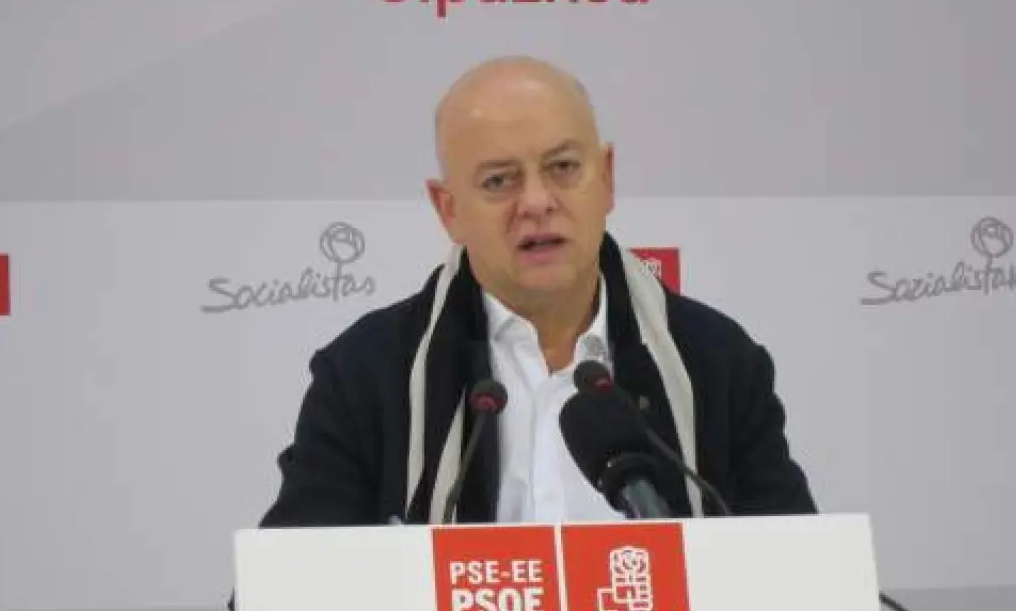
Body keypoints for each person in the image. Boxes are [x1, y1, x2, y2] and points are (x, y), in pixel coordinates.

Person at [256, 55, 816, 529]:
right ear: (449, 209)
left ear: (607, 178)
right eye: (499, 181)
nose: (536, 202)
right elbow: (282, 590)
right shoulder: (367, 373)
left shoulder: (716, 361)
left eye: (563, 167)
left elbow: (797, 575)